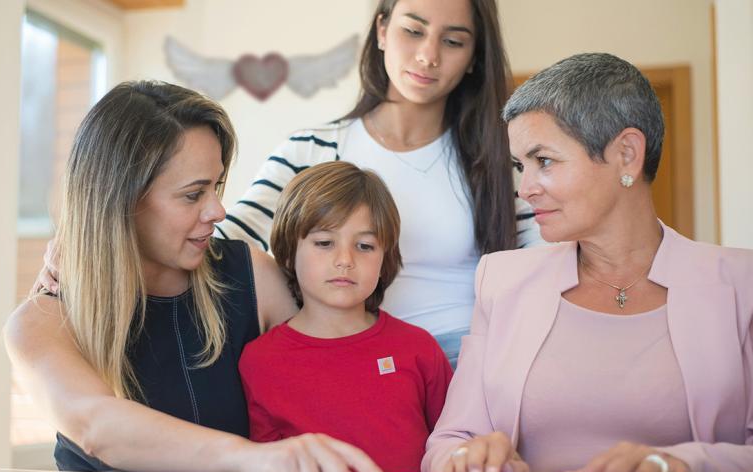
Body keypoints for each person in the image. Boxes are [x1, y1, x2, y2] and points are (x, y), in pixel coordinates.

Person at [4, 81, 388, 472]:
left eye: (217, 187)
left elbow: (346, 360)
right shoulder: (40, 323)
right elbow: (96, 425)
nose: (218, 211)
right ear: (120, 200)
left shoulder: (254, 278)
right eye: (193, 195)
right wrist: (251, 459)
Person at [423, 53, 753, 472]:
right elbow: (447, 443)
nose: (525, 189)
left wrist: (681, 464)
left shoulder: (740, 284)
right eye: (521, 166)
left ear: (627, 155)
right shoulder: (500, 281)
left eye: (544, 160)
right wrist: (471, 457)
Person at [216, 0, 542, 368]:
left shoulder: (502, 161)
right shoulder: (311, 150)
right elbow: (224, 246)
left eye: (452, 41)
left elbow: (549, 262)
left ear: (474, 58)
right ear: (383, 30)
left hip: (464, 363)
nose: (428, 55)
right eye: (414, 31)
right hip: (345, 363)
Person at [239, 161, 453, 472]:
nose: (344, 260)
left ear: (385, 259)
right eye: (324, 243)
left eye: (364, 246)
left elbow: (453, 441)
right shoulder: (259, 361)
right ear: (287, 253)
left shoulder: (417, 346)